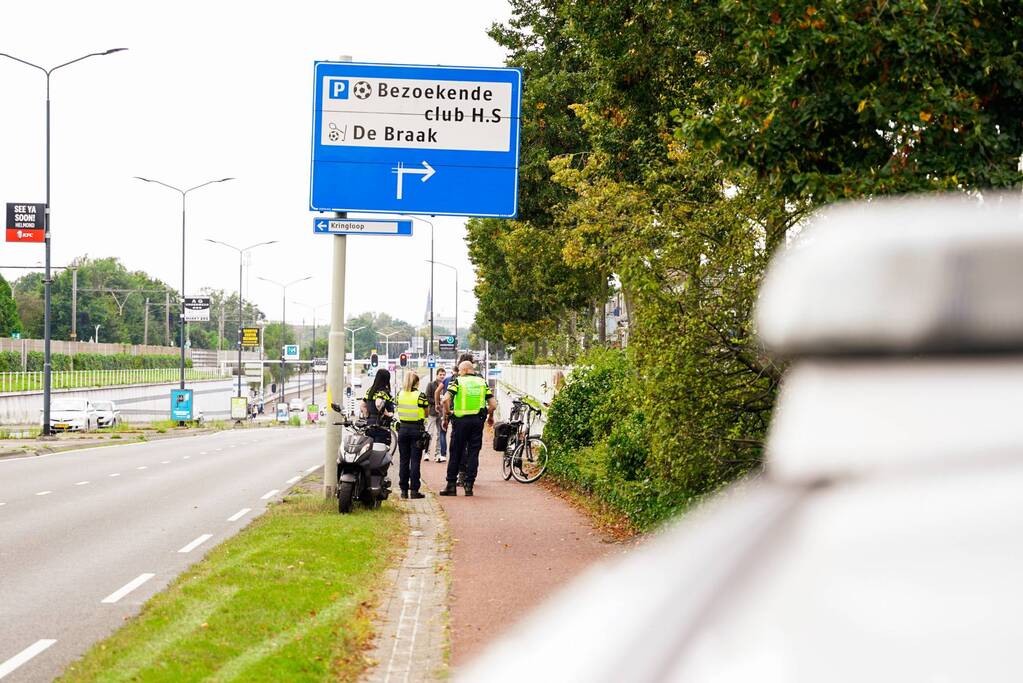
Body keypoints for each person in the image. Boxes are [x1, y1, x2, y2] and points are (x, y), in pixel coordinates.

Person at [440, 359, 496, 497]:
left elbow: (445, 399)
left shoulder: (458, 381)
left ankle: (451, 486)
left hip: (460, 422)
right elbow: (493, 404)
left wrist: (447, 414)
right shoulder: (482, 382)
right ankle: (469, 485)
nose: (458, 373)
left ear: (464, 370)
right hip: (477, 422)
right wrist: (488, 415)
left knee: (455, 452)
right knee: (473, 453)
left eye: (459, 370)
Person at [395, 371, 430, 500]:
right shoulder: (420, 396)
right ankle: (414, 490)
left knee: (404, 461)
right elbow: (426, 413)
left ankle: (403, 490)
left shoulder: (399, 395)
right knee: (415, 461)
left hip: (403, 430)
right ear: (416, 382)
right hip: (417, 430)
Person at [361, 368, 394, 444]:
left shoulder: (370, 391)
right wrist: (387, 414)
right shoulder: (384, 392)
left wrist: (367, 416)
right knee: (380, 452)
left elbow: (363, 405)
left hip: (369, 425)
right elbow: (378, 403)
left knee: (370, 451)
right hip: (381, 426)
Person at [424, 368, 448, 462]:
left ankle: (438, 453)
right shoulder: (431, 385)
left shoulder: (446, 385)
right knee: (430, 432)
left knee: (440, 433)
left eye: (443, 374)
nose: (442, 376)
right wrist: (437, 402)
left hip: (442, 413)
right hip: (432, 412)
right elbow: (427, 397)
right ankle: (426, 452)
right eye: (440, 374)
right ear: (437, 375)